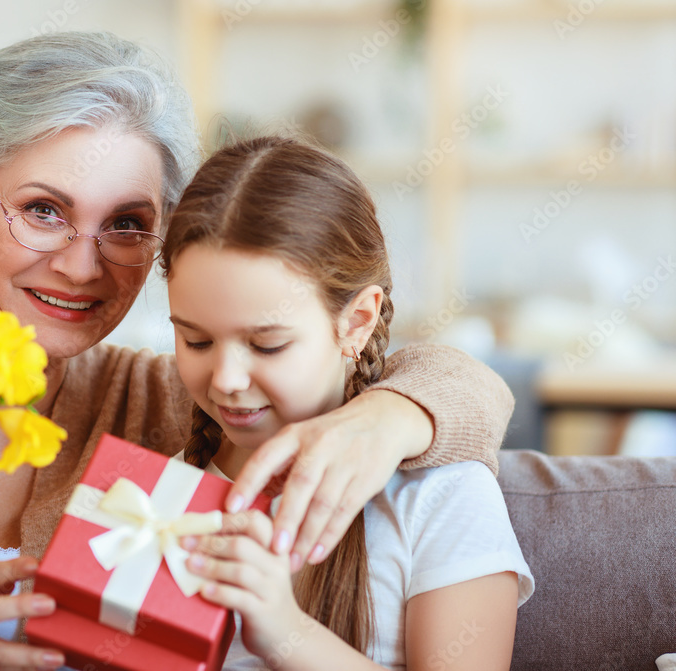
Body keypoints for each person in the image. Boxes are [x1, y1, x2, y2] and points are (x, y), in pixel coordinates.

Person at [0, 33, 514, 670]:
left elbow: (458, 383)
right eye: (43, 209)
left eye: (126, 224)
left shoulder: (167, 403)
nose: (83, 264)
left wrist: (391, 418)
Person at [161, 135, 533, 670]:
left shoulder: (439, 495)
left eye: (267, 344)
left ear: (356, 322)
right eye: (196, 340)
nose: (226, 379)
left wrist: (284, 631)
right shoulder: (166, 493)